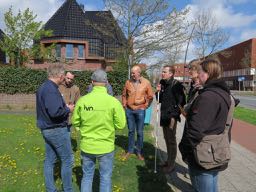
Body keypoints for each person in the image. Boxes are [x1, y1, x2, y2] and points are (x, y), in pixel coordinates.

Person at [179, 59, 231, 192]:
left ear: (207, 73)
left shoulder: (208, 96)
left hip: (203, 155)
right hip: (214, 150)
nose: (197, 74)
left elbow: (195, 130)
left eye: (200, 71)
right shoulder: (223, 92)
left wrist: (186, 150)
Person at [72, 69, 126, 192]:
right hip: (106, 146)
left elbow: (75, 122)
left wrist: (83, 129)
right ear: (106, 82)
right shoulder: (113, 102)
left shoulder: (82, 101)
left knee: (87, 176)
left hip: (87, 146)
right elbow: (121, 124)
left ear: (92, 82)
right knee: (105, 178)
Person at [36, 63, 74, 192]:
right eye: (63, 76)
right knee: (67, 160)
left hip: (47, 129)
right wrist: (67, 109)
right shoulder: (51, 89)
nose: (64, 79)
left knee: (50, 160)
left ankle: (50, 189)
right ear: (60, 75)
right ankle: (68, 189)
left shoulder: (44, 87)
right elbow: (54, 112)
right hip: (56, 129)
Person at [156, 65, 186, 173]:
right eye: (162, 71)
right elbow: (159, 99)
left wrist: (173, 114)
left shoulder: (177, 85)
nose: (162, 73)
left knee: (171, 140)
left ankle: (171, 164)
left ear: (171, 74)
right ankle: (168, 161)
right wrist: (158, 91)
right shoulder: (163, 83)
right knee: (166, 139)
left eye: (164, 72)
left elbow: (182, 102)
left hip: (171, 117)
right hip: (163, 116)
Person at [122, 65, 154, 161]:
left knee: (140, 132)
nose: (131, 75)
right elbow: (124, 95)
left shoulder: (146, 83)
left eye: (133, 73)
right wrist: (124, 105)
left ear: (139, 73)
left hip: (140, 110)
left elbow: (150, 96)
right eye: (131, 73)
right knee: (131, 131)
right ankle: (130, 150)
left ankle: (139, 151)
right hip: (129, 110)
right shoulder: (128, 82)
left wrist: (146, 106)